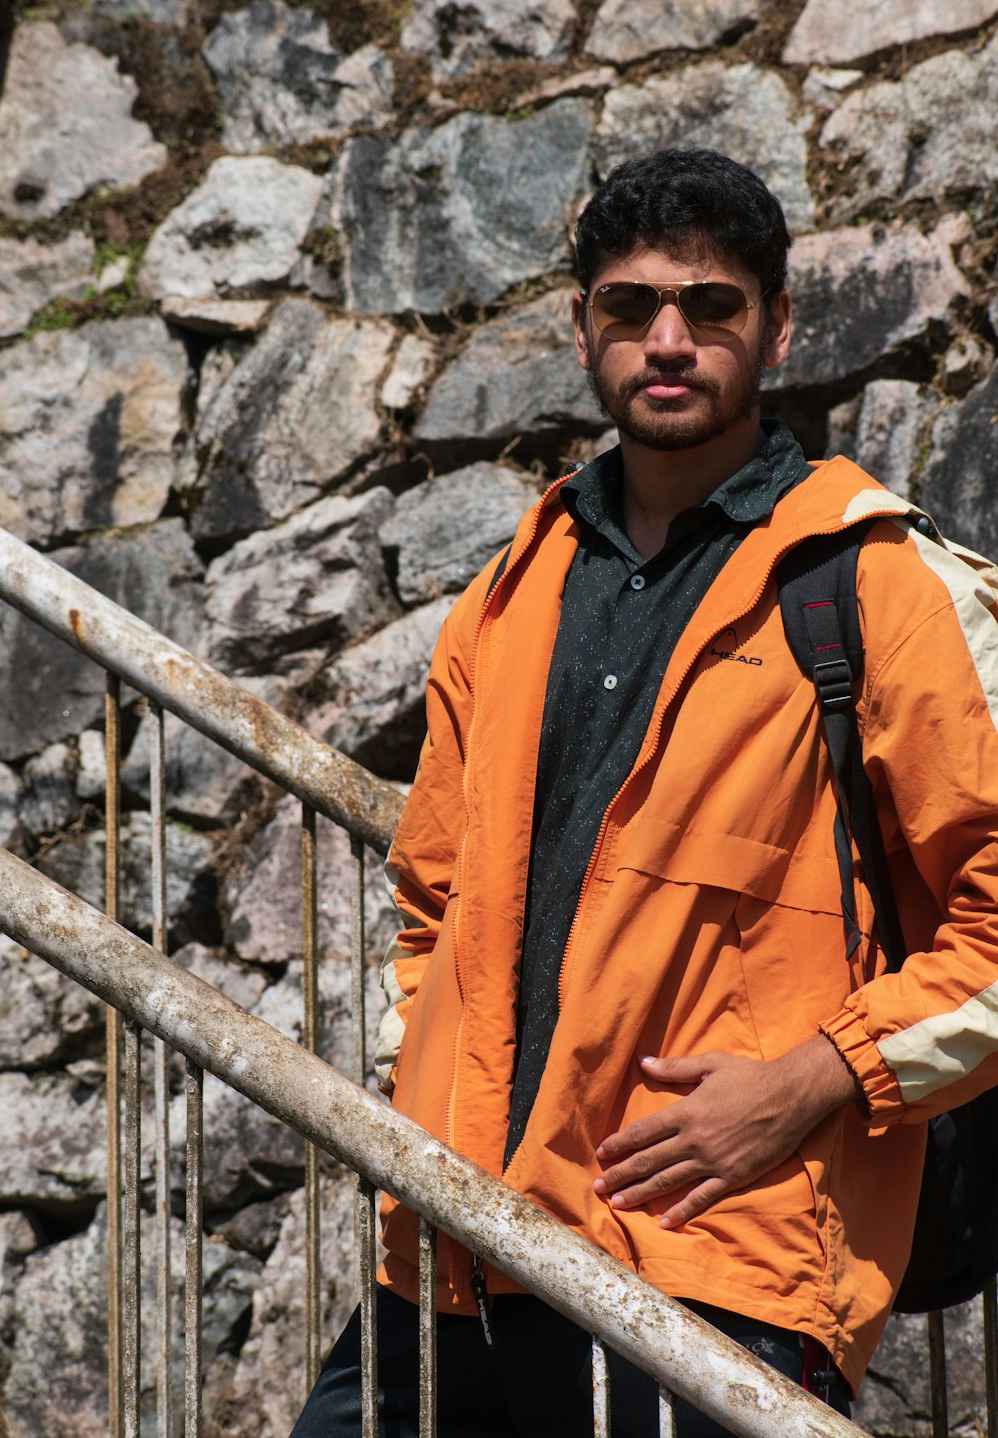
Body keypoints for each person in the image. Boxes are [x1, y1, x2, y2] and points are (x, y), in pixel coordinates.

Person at [292, 148, 998, 1436]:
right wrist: (426, 1102)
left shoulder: (877, 585)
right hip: (446, 1253)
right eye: (629, 308)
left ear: (776, 327)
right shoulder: (506, 595)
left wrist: (814, 1080)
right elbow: (429, 904)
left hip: (704, 1270)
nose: (668, 341)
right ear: (584, 331)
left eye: (711, 306)